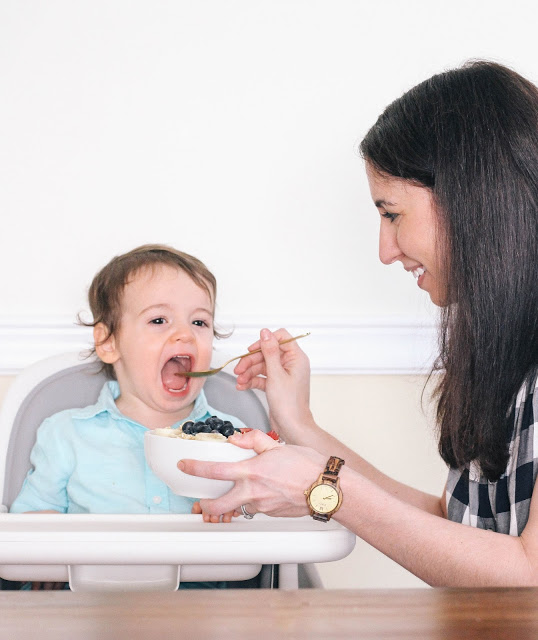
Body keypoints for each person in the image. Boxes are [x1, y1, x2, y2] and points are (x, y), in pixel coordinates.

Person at [178, 61, 538, 587]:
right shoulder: (509, 356)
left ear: (472, 200)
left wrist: (324, 488)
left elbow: (527, 574)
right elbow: (458, 531)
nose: (385, 251)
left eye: (391, 214)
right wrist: (300, 426)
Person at [10, 244, 244, 523]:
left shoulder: (237, 440)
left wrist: (240, 511)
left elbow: (264, 523)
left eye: (199, 322)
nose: (185, 334)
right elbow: (28, 528)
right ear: (108, 343)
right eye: (159, 320)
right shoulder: (66, 435)